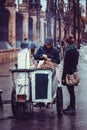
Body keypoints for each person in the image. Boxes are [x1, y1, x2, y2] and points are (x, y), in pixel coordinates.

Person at [62, 34, 79, 115]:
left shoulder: (68, 51)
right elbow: (76, 63)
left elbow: (66, 65)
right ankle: (71, 106)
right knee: (71, 92)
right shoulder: (75, 50)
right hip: (73, 71)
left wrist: (63, 77)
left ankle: (72, 108)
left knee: (71, 92)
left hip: (69, 73)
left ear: (67, 43)